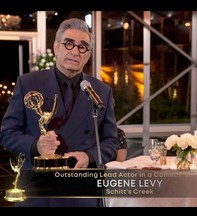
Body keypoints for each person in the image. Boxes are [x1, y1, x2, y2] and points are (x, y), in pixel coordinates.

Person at [0, 18, 119, 207]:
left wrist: (90, 157)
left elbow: (112, 140)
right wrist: (35, 145)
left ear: (88, 55)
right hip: (37, 191)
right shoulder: (28, 83)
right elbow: (6, 133)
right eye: (69, 43)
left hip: (80, 193)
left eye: (82, 47)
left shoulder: (101, 91)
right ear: (56, 48)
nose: (74, 51)